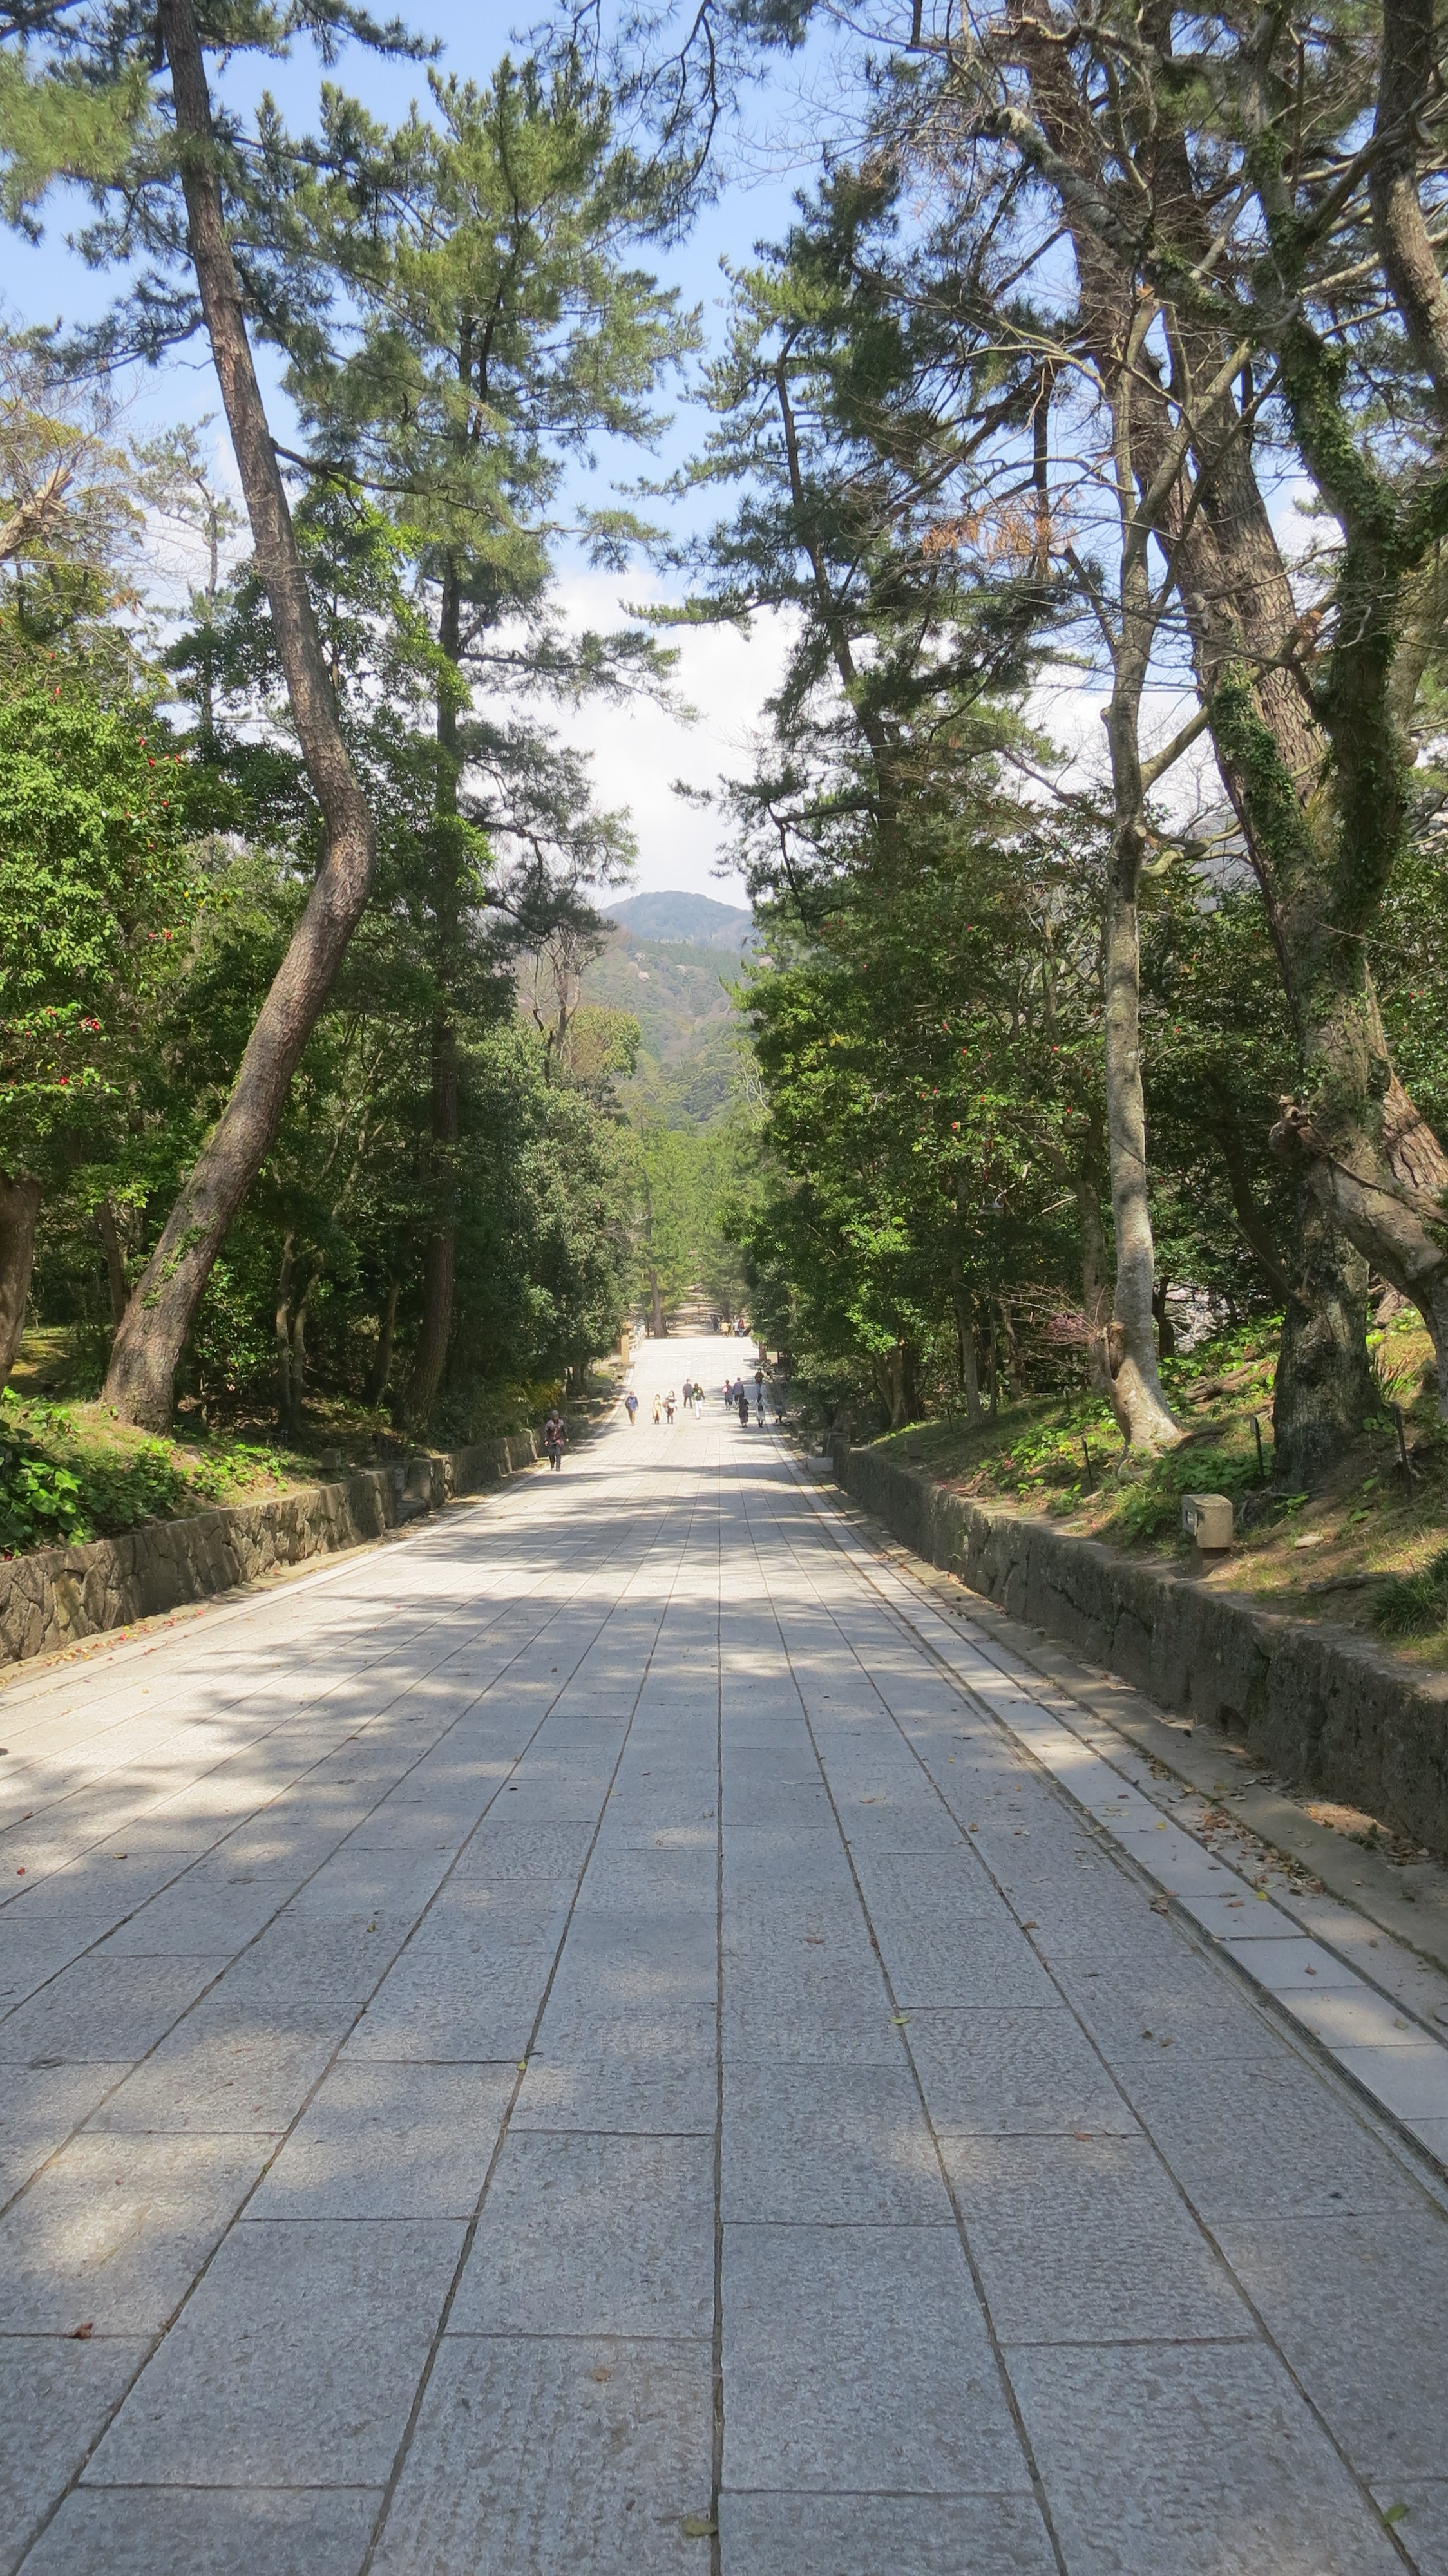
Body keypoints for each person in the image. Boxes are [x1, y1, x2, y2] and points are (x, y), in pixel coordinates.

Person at [543, 1407, 565, 1471]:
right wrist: (546, 1440)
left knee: (558, 1454)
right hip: (551, 1441)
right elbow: (546, 1432)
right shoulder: (549, 1424)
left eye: (557, 1416)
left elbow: (564, 1431)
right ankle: (552, 1463)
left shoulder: (561, 1423)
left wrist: (566, 1438)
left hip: (558, 1440)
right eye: (555, 1416)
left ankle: (558, 1466)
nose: (556, 1417)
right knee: (551, 1454)